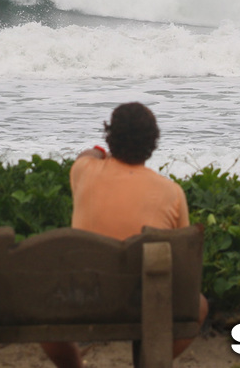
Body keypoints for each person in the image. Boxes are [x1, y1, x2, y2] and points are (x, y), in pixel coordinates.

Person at [41, 102, 208, 368]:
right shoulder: (172, 193)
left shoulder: (84, 172)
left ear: (110, 138)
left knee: (43, 305)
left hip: (83, 301)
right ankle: (148, 363)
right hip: (143, 303)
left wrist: (99, 152)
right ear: (152, 143)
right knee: (197, 305)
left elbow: (85, 155)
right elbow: (183, 264)